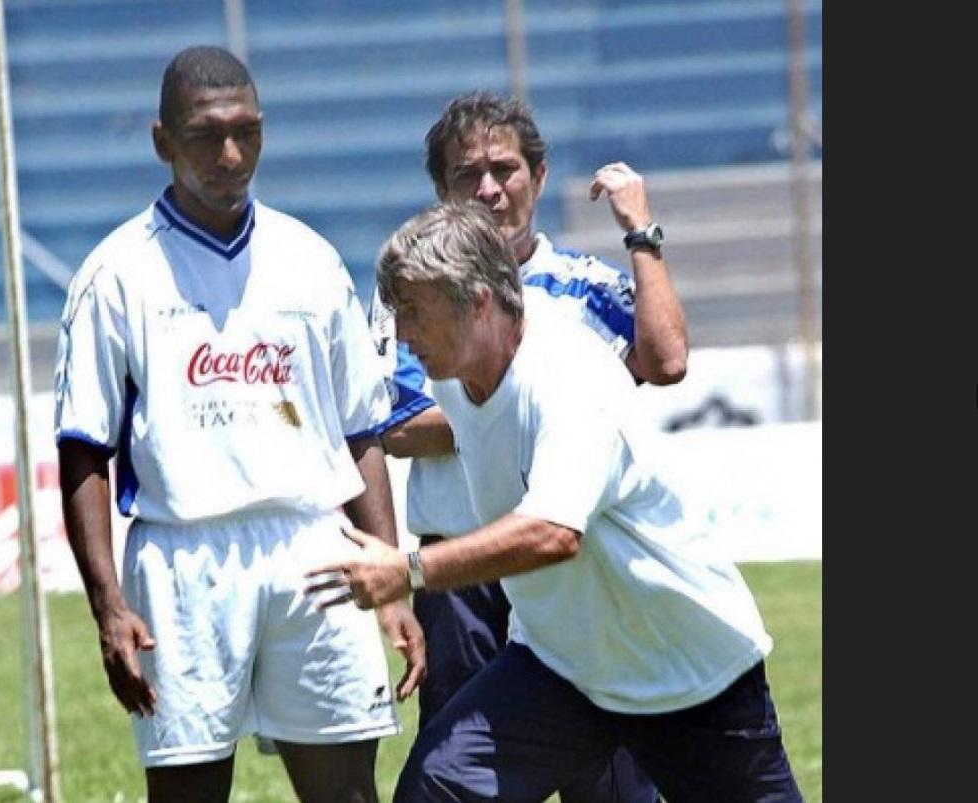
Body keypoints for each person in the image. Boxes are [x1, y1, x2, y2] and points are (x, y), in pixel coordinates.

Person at [312, 201, 804, 802]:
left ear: (479, 301)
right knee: (440, 785)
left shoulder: (569, 376)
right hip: (564, 667)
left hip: (688, 673)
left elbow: (553, 533)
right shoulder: (453, 376)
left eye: (414, 311)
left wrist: (408, 570)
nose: (405, 333)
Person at [53, 45, 424, 803]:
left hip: (315, 548)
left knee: (348, 791)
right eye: (206, 134)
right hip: (185, 560)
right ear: (163, 141)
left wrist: (389, 577)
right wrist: (106, 604)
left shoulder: (311, 259)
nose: (230, 153)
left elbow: (360, 431)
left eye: (247, 131)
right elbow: (85, 451)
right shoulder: (115, 274)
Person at [369, 91, 687, 802]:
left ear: (538, 179)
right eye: (465, 175)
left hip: (582, 567)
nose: (487, 188)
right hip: (463, 569)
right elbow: (395, 423)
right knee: (460, 773)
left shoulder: (586, 283)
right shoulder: (414, 293)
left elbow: (665, 361)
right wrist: (540, 414)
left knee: (611, 776)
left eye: (504, 169)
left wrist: (640, 232)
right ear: (440, 192)